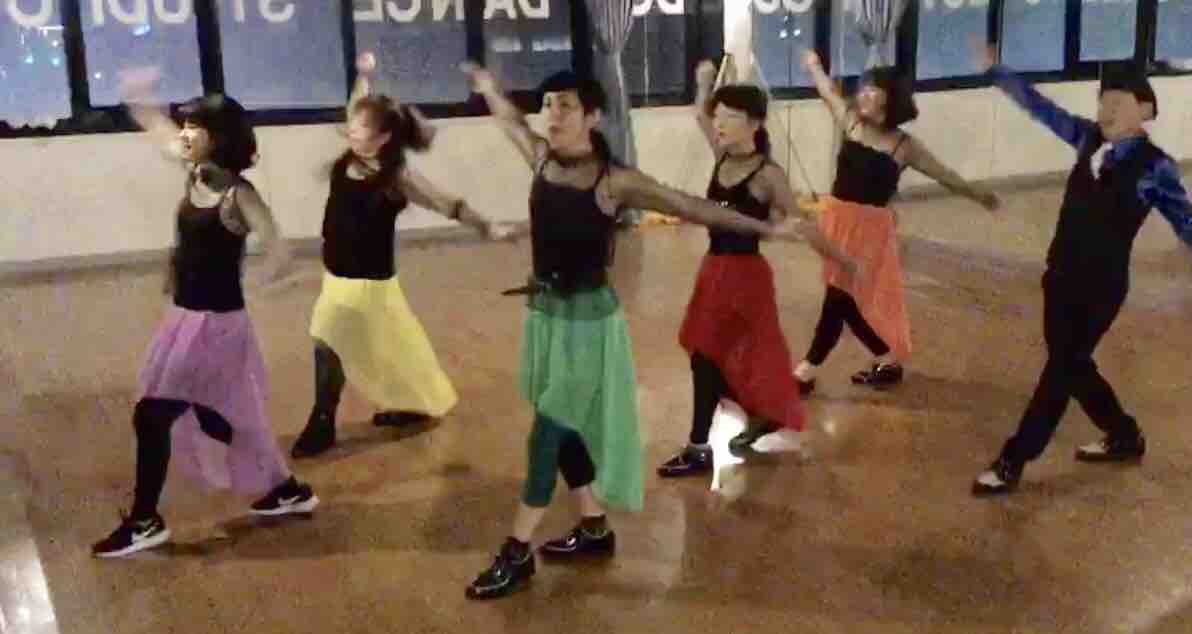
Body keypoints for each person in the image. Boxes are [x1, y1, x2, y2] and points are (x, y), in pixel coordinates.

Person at [459, 63, 798, 599]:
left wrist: (766, 227)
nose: (553, 115)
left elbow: (693, 206)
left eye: (566, 106)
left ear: (593, 116)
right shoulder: (542, 159)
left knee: (546, 433)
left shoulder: (615, 181)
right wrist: (488, 89)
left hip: (589, 324)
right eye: (548, 106)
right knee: (562, 426)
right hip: (547, 316)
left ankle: (516, 551)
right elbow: (510, 122)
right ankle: (594, 526)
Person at [970, 45, 1192, 495]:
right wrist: (998, 72)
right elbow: (1040, 107)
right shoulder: (1086, 137)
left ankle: (1013, 459)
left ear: (1145, 110)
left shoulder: (1156, 167)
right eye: (1102, 100)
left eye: (1118, 101)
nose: (1106, 108)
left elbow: (1186, 221)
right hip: (1059, 274)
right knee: (1072, 366)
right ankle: (1124, 434)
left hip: (1102, 287)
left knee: (1060, 370)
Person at [93, 69, 318, 558]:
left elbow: (279, 250)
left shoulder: (239, 194)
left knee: (152, 415)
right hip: (184, 319)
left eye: (195, 127)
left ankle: (144, 520)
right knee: (222, 417)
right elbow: (161, 134)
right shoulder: (196, 172)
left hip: (216, 326)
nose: (185, 134)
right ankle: (284, 488)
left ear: (220, 138)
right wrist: (140, 101)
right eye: (186, 124)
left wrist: (267, 280)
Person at [291, 53, 511, 458]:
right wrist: (363, 76)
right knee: (339, 341)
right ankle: (332, 417)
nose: (351, 130)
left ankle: (337, 418)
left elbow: (448, 203)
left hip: (372, 285)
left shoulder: (396, 178)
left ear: (383, 138)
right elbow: (355, 105)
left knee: (373, 347)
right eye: (354, 125)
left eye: (361, 127)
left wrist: (487, 226)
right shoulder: (349, 159)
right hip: (337, 278)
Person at [659, 60, 861, 477]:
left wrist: (843, 260)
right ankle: (757, 413)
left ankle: (699, 446)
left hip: (744, 277)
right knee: (710, 356)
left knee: (707, 355)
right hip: (714, 269)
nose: (718, 125)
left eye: (729, 118)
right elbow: (699, 114)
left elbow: (802, 225)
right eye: (718, 117)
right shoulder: (722, 156)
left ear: (754, 123)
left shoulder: (768, 174)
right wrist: (702, 83)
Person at [792, 50, 1000, 394]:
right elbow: (827, 90)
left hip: (869, 232)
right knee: (847, 299)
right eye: (862, 87)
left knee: (838, 297)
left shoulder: (904, 146)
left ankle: (805, 373)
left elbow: (945, 175)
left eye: (871, 89)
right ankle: (886, 359)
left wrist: (978, 194)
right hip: (837, 222)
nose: (862, 94)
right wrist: (814, 65)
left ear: (890, 98)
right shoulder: (852, 123)